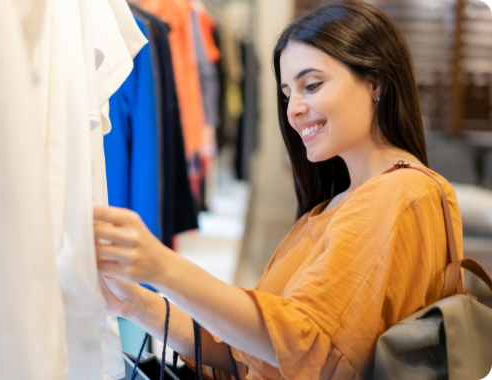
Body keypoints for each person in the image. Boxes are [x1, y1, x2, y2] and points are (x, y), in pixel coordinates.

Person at [93, 1, 463, 379]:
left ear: (375, 82)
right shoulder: (332, 207)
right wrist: (138, 304)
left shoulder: (400, 194)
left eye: (312, 85)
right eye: (288, 93)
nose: (294, 110)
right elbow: (248, 353)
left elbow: (304, 347)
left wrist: (163, 267)